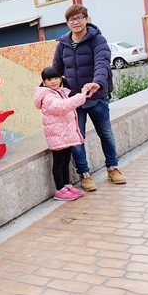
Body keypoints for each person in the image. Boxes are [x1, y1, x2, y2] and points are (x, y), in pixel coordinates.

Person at [52, 4, 126, 192]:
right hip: (74, 101)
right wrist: (47, 91)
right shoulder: (62, 44)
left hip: (97, 96)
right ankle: (84, 174)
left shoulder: (98, 40)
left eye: (79, 18)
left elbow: (102, 63)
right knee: (78, 139)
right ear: (67, 23)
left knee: (106, 133)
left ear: (86, 19)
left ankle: (113, 168)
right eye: (71, 19)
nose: (75, 22)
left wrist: (97, 83)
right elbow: (57, 71)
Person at [34, 67, 89, 201]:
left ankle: (66, 185)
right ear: (44, 81)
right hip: (57, 135)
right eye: (49, 79)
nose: (53, 81)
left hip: (65, 134)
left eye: (56, 78)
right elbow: (62, 106)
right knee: (59, 162)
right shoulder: (48, 96)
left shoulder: (59, 92)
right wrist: (81, 96)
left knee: (65, 162)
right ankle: (60, 190)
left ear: (61, 78)